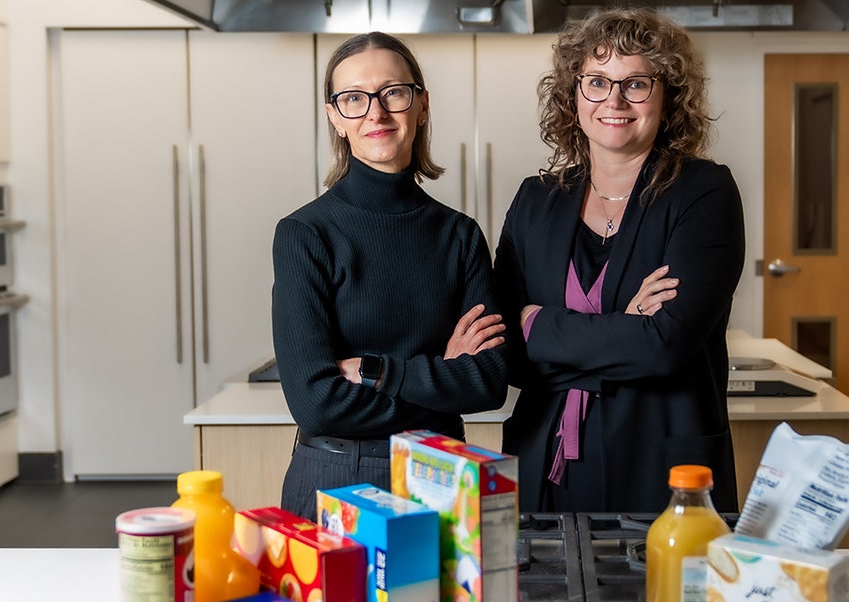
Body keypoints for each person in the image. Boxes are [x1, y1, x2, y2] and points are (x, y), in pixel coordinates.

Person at [493, 8, 746, 515]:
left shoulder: (703, 193)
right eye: (596, 82)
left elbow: (663, 348)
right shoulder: (535, 200)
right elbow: (507, 351)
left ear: (668, 96)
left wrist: (539, 324)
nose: (614, 100)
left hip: (660, 468)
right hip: (542, 465)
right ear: (573, 94)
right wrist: (622, 329)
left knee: (663, 596)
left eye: (635, 83)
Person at [272, 32, 508, 521]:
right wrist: (442, 380)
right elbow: (316, 403)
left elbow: (488, 383)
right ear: (334, 117)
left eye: (392, 93)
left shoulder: (460, 235)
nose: (375, 113)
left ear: (421, 105)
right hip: (338, 481)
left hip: (442, 478)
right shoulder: (304, 234)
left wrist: (378, 372)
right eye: (353, 99)